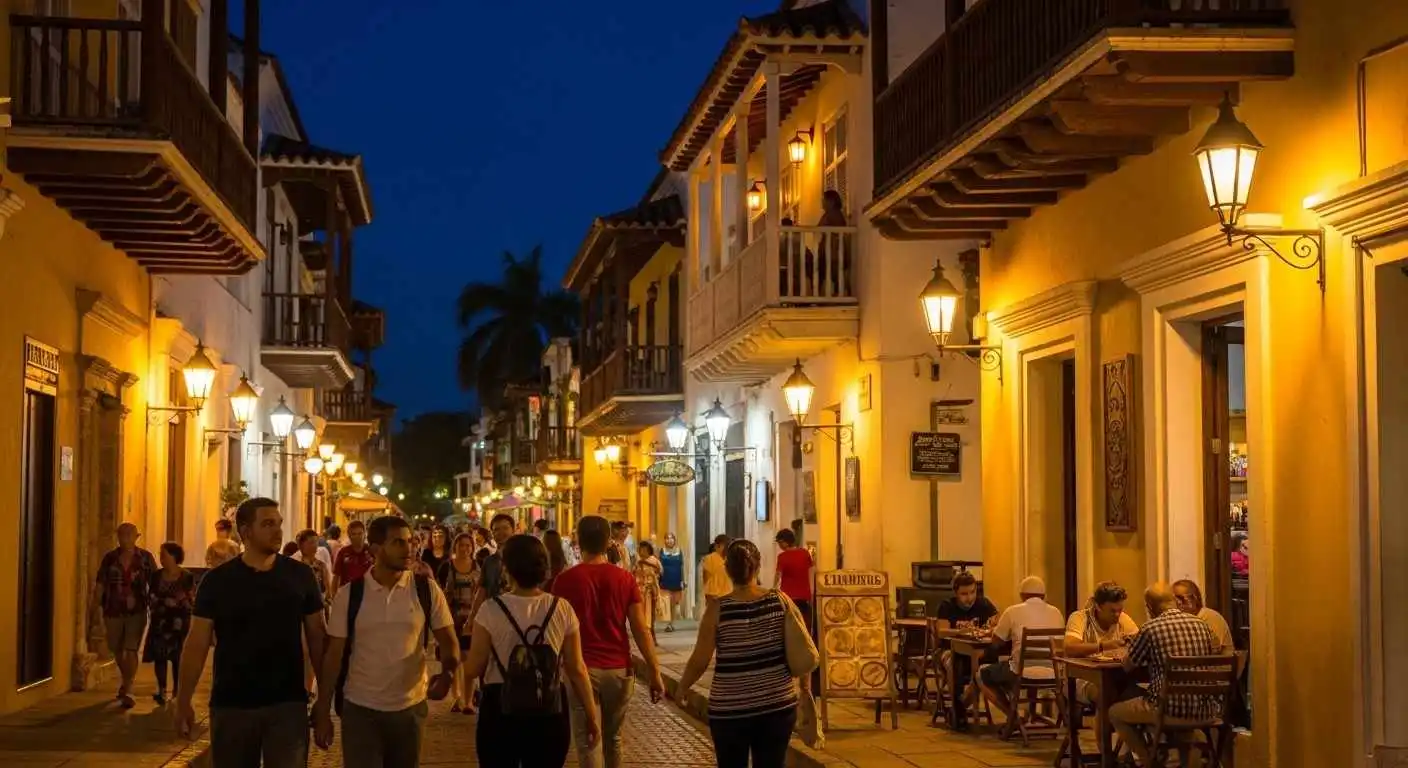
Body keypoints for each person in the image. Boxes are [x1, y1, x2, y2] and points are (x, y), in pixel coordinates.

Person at [175, 498, 327, 768]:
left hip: (287, 703)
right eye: (267, 524)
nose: (278, 531)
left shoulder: (300, 576)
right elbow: (196, 642)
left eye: (279, 524)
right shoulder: (217, 581)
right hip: (232, 704)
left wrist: (324, 699)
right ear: (245, 532)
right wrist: (183, 699)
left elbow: (317, 636)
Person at [314, 516, 459, 768]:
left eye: (411, 541)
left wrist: (447, 674)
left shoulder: (426, 590)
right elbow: (333, 656)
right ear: (376, 550)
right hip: (360, 709)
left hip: (410, 708)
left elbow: (449, 641)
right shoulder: (350, 595)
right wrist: (323, 709)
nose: (409, 549)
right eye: (398, 543)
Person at [464, 534, 601, 767]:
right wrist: (591, 714)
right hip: (548, 706)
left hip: (500, 708)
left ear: (507, 568)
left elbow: (475, 666)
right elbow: (577, 668)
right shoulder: (561, 608)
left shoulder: (489, 610)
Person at [675, 540, 803, 768]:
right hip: (776, 705)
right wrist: (804, 690)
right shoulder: (780, 601)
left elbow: (700, 660)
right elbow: (802, 647)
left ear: (727, 570)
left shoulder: (717, 609)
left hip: (730, 710)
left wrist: (682, 687)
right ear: (758, 566)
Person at [552, 516, 666, 768]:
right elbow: (640, 629)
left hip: (580, 669)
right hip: (619, 668)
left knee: (588, 740)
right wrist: (655, 670)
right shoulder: (624, 579)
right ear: (608, 542)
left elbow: (556, 631)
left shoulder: (564, 581)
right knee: (613, 738)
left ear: (579, 541)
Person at [1111, 582, 1221, 766]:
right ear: (1174, 601)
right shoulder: (1202, 625)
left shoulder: (1150, 628)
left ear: (1149, 607)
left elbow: (1128, 666)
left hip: (1168, 710)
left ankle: (1148, 761)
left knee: (1114, 712)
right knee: (1181, 722)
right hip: (1205, 709)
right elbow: (1214, 652)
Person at [978, 575, 1064, 722]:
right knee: (1005, 668)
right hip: (1053, 672)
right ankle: (1031, 714)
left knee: (981, 674)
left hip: (1021, 672)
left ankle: (1013, 716)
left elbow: (996, 641)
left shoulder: (1012, 611)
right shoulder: (1056, 612)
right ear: (1044, 595)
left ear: (1022, 595)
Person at [94, 521, 157, 708]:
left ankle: (128, 687)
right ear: (118, 537)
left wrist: (155, 606)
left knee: (131, 648)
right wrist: (94, 607)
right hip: (112, 609)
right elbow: (100, 584)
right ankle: (126, 679)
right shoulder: (109, 558)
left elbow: (154, 582)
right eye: (122, 535)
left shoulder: (145, 558)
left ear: (136, 537)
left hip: (137, 610)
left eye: (130, 535)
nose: (126, 539)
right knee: (116, 648)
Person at [1063, 582, 1140, 705]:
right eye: (1112, 611)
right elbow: (1070, 648)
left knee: (1139, 694)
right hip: (1082, 679)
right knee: (1106, 693)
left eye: (1120, 610)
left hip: (1115, 677)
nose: (1117, 615)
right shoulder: (1079, 618)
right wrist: (1104, 646)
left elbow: (1139, 641)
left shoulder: (1122, 618)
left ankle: (1119, 722)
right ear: (1097, 607)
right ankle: (1106, 723)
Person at [933, 571, 999, 707]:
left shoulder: (983, 604)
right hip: (949, 650)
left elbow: (998, 620)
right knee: (955, 663)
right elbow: (942, 632)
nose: (969, 598)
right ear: (955, 593)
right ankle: (958, 712)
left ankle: (962, 704)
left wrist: (994, 624)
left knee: (991, 663)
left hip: (976, 652)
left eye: (972, 592)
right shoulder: (947, 606)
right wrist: (960, 632)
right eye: (964, 594)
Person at [145, 542, 195, 706]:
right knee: (160, 656)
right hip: (161, 621)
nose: (161, 558)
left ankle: (176, 691)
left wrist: (178, 602)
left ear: (174, 557)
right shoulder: (157, 576)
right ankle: (161, 689)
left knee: (177, 657)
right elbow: (151, 595)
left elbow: (191, 599)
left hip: (178, 622)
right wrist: (159, 603)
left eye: (164, 555)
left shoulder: (186, 576)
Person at [439, 532, 481, 714]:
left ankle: (469, 699)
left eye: (468, 545)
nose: (465, 549)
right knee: (455, 658)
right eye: (461, 545)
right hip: (451, 617)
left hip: (471, 618)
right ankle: (457, 697)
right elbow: (441, 593)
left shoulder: (477, 567)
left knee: (468, 658)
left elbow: (480, 591)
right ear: (455, 547)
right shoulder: (448, 567)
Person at [470, 514, 518, 616]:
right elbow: (481, 592)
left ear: (513, 530)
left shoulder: (523, 558)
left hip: (518, 615)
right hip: (494, 615)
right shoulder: (489, 562)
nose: (501, 532)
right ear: (492, 534)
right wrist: (471, 618)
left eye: (505, 528)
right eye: (496, 529)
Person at [1172, 580, 1235, 655]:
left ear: (1194, 598)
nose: (1177, 602)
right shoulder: (1181, 618)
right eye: (1173, 598)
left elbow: (1215, 650)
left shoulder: (1210, 616)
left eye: (1180, 598)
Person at [772, 529, 813, 630]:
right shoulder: (805, 553)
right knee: (804, 626)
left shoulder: (782, 557)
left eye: (780, 542)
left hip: (788, 598)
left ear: (785, 542)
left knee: (791, 627)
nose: (779, 545)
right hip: (805, 597)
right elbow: (811, 571)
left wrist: (773, 590)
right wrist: (812, 591)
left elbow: (778, 576)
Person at [293, 529, 333, 616]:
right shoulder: (295, 566)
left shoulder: (321, 565)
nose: (315, 545)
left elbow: (328, 589)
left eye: (316, 542)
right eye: (311, 542)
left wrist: (326, 601)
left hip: (320, 606)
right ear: (301, 545)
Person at [334, 520, 376, 593]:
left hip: (369, 594)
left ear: (365, 534)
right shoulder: (343, 552)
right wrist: (334, 597)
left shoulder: (372, 551)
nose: (357, 537)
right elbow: (336, 576)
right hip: (348, 594)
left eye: (360, 533)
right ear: (349, 536)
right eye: (354, 534)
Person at [634, 541, 662, 640]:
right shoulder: (637, 561)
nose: (642, 552)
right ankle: (644, 634)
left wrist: (646, 563)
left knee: (651, 614)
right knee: (641, 614)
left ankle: (652, 633)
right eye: (641, 550)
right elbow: (634, 573)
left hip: (651, 591)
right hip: (640, 590)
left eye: (645, 550)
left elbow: (660, 571)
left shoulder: (654, 560)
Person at [659, 533, 685, 632]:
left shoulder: (679, 551)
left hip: (676, 578)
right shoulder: (661, 551)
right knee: (666, 602)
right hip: (665, 578)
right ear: (664, 540)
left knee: (674, 603)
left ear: (674, 540)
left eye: (671, 538)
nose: (669, 540)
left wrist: (682, 580)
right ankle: (667, 622)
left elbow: (682, 566)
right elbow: (658, 565)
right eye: (667, 538)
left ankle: (671, 623)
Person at [701, 535, 732, 610]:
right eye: (724, 545)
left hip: (728, 593)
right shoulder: (709, 558)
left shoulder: (731, 558)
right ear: (716, 546)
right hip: (713, 594)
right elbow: (706, 578)